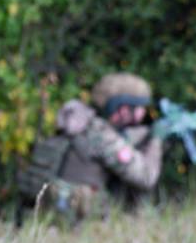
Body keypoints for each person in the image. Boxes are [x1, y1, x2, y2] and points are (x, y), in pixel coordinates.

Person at [18, 72, 163, 222]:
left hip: (45, 217)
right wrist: (157, 139)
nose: (143, 113)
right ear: (123, 109)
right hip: (77, 226)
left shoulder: (77, 123)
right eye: (140, 107)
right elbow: (146, 177)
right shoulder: (102, 135)